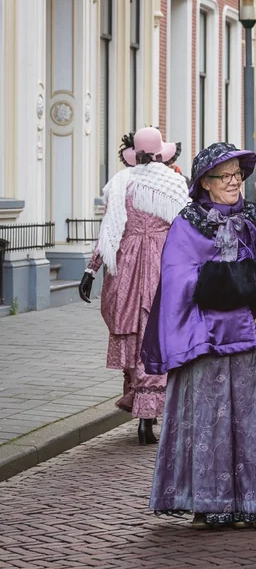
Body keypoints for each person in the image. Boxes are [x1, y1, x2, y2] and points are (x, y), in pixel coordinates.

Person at [141, 142, 256, 528]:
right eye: (225, 176)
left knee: (245, 418)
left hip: (248, 337)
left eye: (238, 175)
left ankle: (247, 502)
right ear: (205, 182)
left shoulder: (254, 218)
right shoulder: (188, 222)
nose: (234, 183)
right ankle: (206, 502)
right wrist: (252, 275)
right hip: (205, 339)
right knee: (208, 421)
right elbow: (183, 281)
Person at [78, 127, 189, 445]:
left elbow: (109, 231)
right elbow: (189, 228)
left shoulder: (122, 183)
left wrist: (91, 269)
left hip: (126, 268)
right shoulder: (173, 183)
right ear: (161, 154)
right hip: (161, 265)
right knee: (157, 336)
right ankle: (148, 418)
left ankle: (143, 415)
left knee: (136, 335)